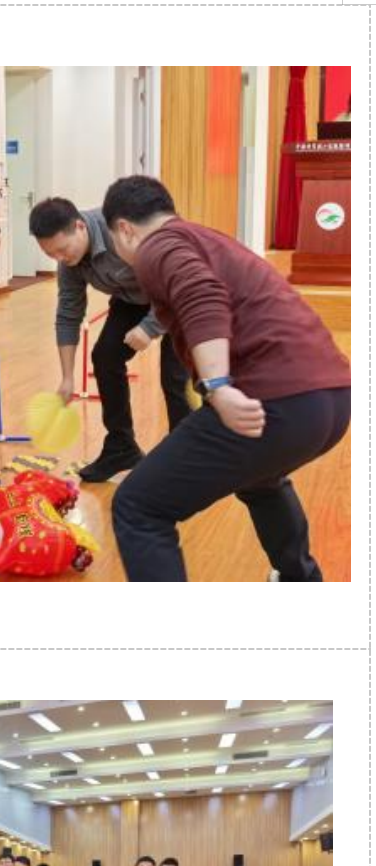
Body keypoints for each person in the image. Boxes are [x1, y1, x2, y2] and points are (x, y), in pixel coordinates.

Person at [101, 175, 352, 580]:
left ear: (125, 229)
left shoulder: (156, 247)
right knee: (260, 480)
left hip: (278, 401)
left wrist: (217, 387)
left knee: (138, 506)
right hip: (332, 398)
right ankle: (300, 581)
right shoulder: (203, 238)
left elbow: (201, 294)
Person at [25, 197, 194, 483]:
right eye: (51, 254)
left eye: (62, 249)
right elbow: (68, 313)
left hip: (179, 296)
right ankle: (121, 448)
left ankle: (186, 459)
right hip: (132, 298)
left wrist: (150, 327)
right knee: (105, 357)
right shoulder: (69, 262)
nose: (60, 259)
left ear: (80, 226)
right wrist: (67, 377)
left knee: (174, 378)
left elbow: (176, 280)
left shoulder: (124, 232)